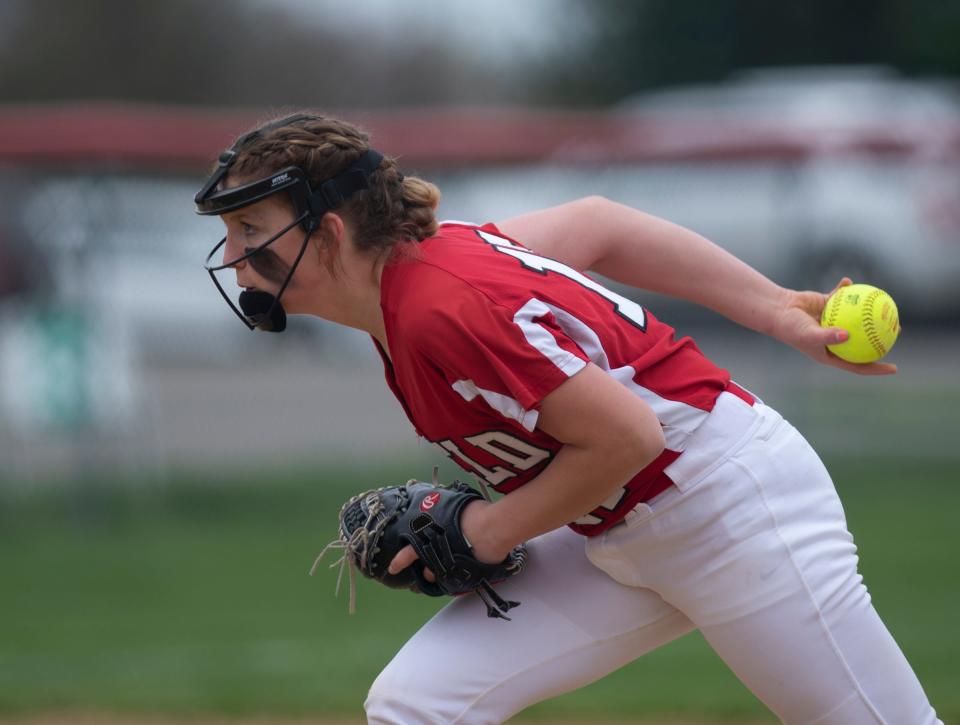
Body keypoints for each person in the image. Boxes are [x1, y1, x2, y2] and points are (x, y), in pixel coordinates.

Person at [195, 113, 941, 724]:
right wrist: (775, 308)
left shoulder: (438, 306)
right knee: (417, 702)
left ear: (326, 236)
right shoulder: (418, 280)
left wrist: (485, 531)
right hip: (615, 527)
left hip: (730, 508)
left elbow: (628, 435)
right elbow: (599, 225)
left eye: (252, 228)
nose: (234, 254)